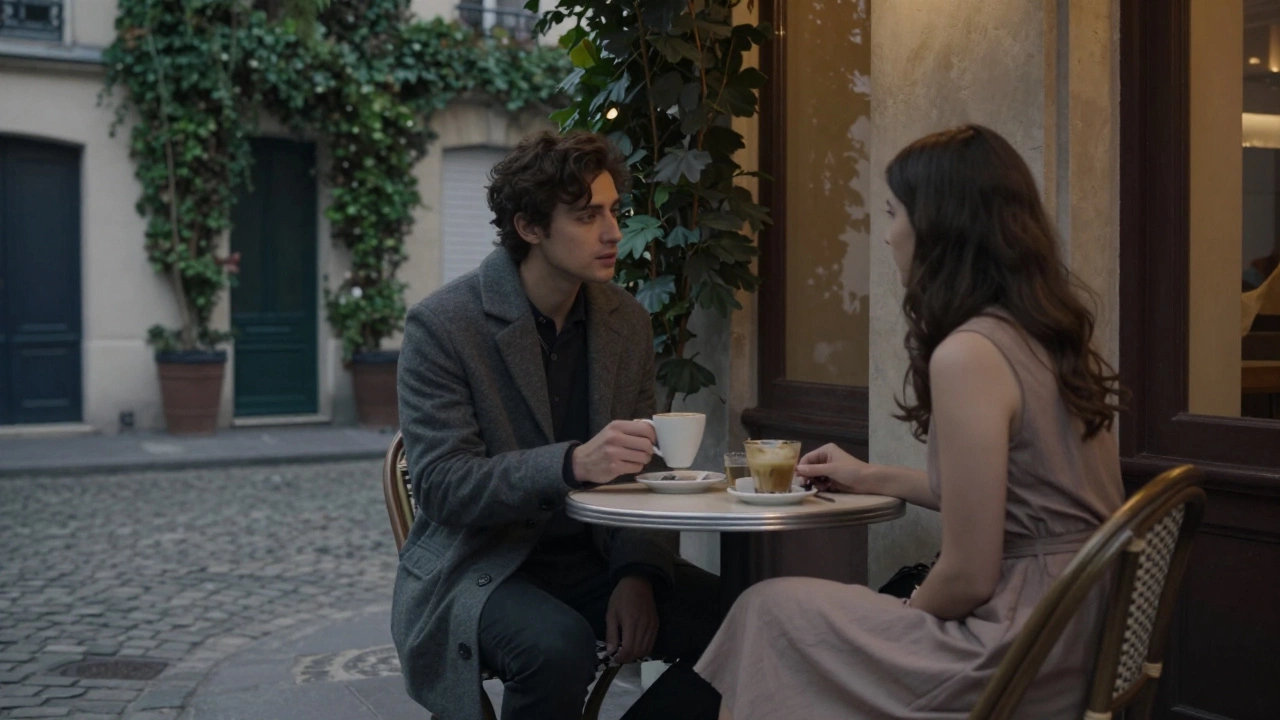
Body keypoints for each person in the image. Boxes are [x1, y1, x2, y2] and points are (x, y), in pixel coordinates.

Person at [694, 124, 1127, 720]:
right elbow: (1019, 500)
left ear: (939, 227)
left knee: (767, 608)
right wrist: (870, 475)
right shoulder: (1047, 335)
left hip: (1015, 648)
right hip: (1082, 632)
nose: (887, 234)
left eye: (893, 212)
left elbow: (970, 576)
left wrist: (903, 618)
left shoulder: (970, 353)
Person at [390, 131, 721, 720]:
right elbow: (441, 486)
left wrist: (639, 572)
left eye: (614, 211)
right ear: (529, 228)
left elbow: (643, 473)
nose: (614, 231)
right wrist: (569, 463)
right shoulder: (443, 326)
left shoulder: (627, 322)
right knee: (557, 647)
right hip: (480, 565)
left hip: (595, 559)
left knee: (740, 621)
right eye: (588, 215)